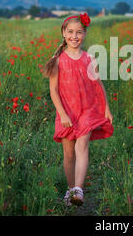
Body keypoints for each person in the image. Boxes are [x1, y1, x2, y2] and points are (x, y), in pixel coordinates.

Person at [42, 13, 114, 206]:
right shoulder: (58, 61)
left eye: (79, 32)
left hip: (88, 110)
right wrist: (63, 113)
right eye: (71, 32)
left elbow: (99, 84)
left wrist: (106, 108)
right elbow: (53, 90)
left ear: (85, 34)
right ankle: (71, 188)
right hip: (67, 112)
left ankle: (78, 191)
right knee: (69, 154)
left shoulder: (89, 58)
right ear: (64, 33)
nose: (75, 36)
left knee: (82, 146)